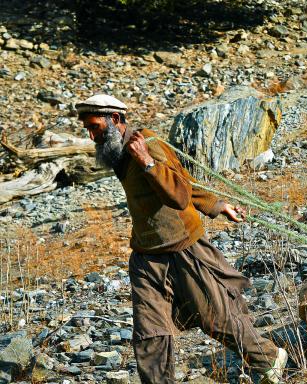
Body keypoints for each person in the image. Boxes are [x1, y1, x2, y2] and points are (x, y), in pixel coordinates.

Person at [76, 94, 288, 383]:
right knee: (150, 333)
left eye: (95, 127)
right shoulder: (116, 149)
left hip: (183, 247)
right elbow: (183, 181)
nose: (91, 135)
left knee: (215, 318)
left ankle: (267, 356)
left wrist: (148, 163)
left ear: (115, 120)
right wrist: (217, 205)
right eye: (87, 128)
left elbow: (179, 192)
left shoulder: (147, 145)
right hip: (146, 255)